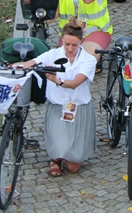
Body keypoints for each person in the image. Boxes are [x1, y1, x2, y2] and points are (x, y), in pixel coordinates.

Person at [15, 17, 97, 176]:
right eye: (67, 44)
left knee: (73, 167)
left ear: (81, 42)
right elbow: (31, 63)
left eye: (74, 45)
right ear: (62, 40)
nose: (70, 48)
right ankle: (56, 159)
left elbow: (75, 83)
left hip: (79, 107)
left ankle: (70, 154)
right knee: (58, 144)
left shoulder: (88, 60)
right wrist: (12, 66)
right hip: (58, 106)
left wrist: (56, 80)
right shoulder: (53, 54)